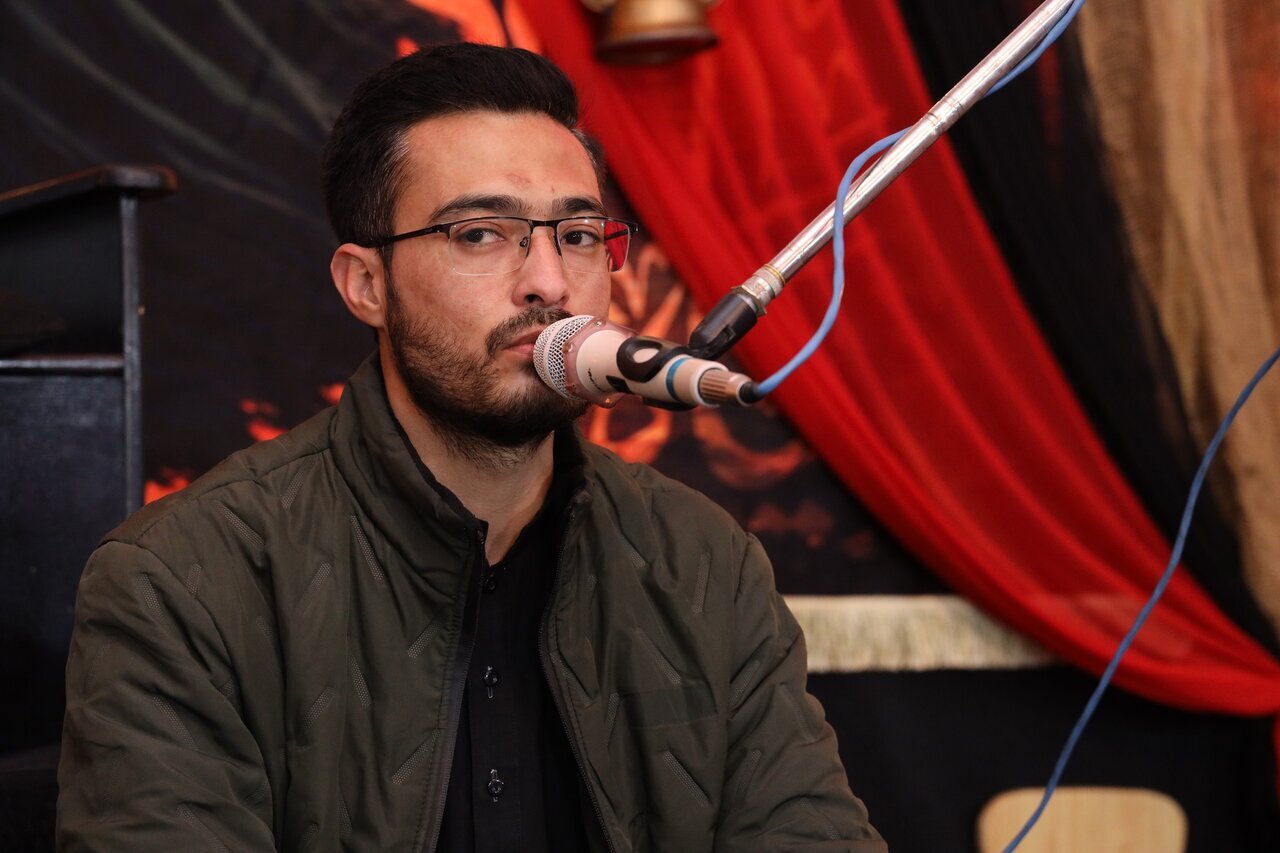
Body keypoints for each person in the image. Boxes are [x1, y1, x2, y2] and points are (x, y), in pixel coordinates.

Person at [56, 43, 886, 852]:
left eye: (579, 234)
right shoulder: (180, 581)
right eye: (482, 234)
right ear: (366, 285)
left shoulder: (705, 561)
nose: (549, 282)